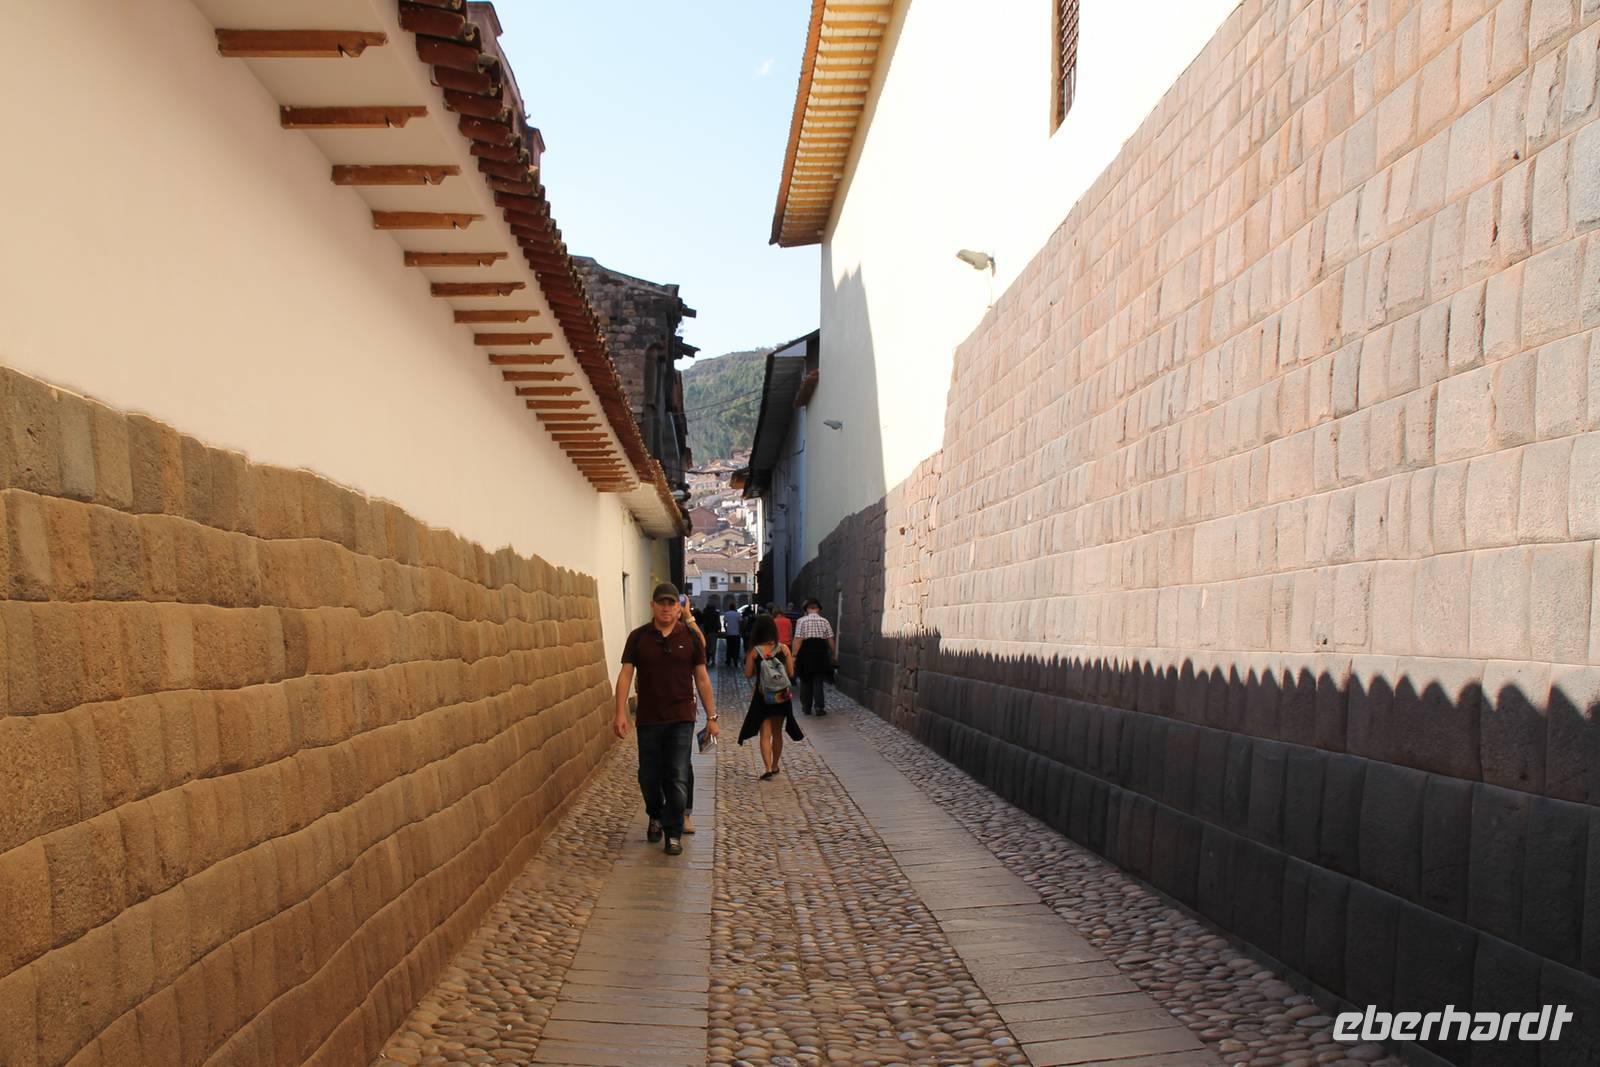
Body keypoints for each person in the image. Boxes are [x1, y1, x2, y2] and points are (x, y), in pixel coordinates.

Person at [614, 582, 718, 855]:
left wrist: (712, 716)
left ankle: (673, 832)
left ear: (678, 608)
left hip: (681, 717)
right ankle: (655, 814)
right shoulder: (638, 638)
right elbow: (626, 675)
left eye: (671, 603)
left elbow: (702, 678)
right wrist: (620, 712)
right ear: (653, 606)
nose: (666, 608)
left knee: (677, 774)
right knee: (648, 776)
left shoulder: (691, 637)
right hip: (649, 718)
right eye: (661, 602)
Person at [738, 613, 803, 779]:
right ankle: (775, 765)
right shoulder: (784, 649)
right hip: (781, 697)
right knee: (777, 732)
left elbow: (747, 674)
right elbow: (791, 673)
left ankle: (767, 768)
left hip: (763, 697)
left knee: (765, 734)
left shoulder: (754, 651)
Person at [791, 598, 837, 716]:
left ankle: (806, 707)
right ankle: (819, 707)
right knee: (818, 680)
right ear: (818, 609)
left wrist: (794, 655)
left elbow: (798, 639)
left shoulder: (801, 621)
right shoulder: (824, 621)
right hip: (821, 652)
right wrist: (834, 654)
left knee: (805, 679)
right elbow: (830, 639)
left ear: (806, 609)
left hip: (806, 652)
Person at [721, 602, 743, 667]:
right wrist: (740, 630)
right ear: (734, 608)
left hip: (729, 633)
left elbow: (724, 624)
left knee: (729, 647)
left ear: (729, 608)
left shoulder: (726, 614)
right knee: (736, 647)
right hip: (736, 633)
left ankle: (728, 660)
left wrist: (726, 630)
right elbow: (740, 623)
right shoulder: (737, 614)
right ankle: (735, 660)